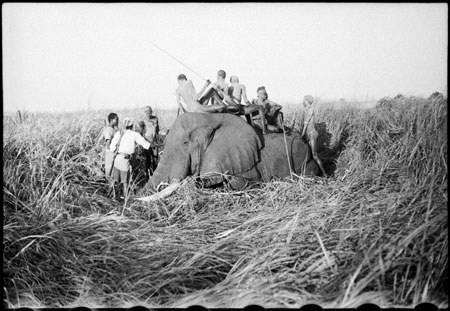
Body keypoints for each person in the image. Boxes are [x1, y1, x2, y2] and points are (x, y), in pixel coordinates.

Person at [110, 117, 151, 199]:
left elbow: (112, 148)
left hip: (118, 158)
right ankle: (125, 199)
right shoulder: (134, 134)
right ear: (132, 126)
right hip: (125, 160)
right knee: (125, 181)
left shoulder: (119, 133)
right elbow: (146, 145)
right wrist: (158, 145)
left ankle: (112, 196)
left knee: (115, 179)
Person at [301, 95, 327, 176]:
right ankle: (315, 172)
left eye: (304, 100)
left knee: (315, 155)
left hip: (312, 134)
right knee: (311, 155)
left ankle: (324, 173)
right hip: (309, 134)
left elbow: (305, 124)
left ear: (307, 101)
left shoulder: (310, 110)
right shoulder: (306, 109)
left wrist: (302, 134)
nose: (303, 102)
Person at [139, 106, 160, 176]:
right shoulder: (142, 121)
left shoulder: (155, 119)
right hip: (147, 142)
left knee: (155, 159)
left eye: (149, 112)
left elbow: (157, 131)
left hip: (154, 141)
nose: (148, 114)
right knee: (148, 159)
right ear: (145, 113)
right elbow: (141, 134)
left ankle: (155, 175)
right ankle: (147, 176)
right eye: (147, 112)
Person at [102, 113, 119, 192]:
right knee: (110, 173)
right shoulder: (108, 130)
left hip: (114, 153)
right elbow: (108, 144)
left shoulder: (114, 129)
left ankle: (112, 190)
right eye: (116, 119)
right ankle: (110, 191)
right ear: (112, 120)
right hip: (110, 154)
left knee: (113, 173)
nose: (118, 121)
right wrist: (113, 152)